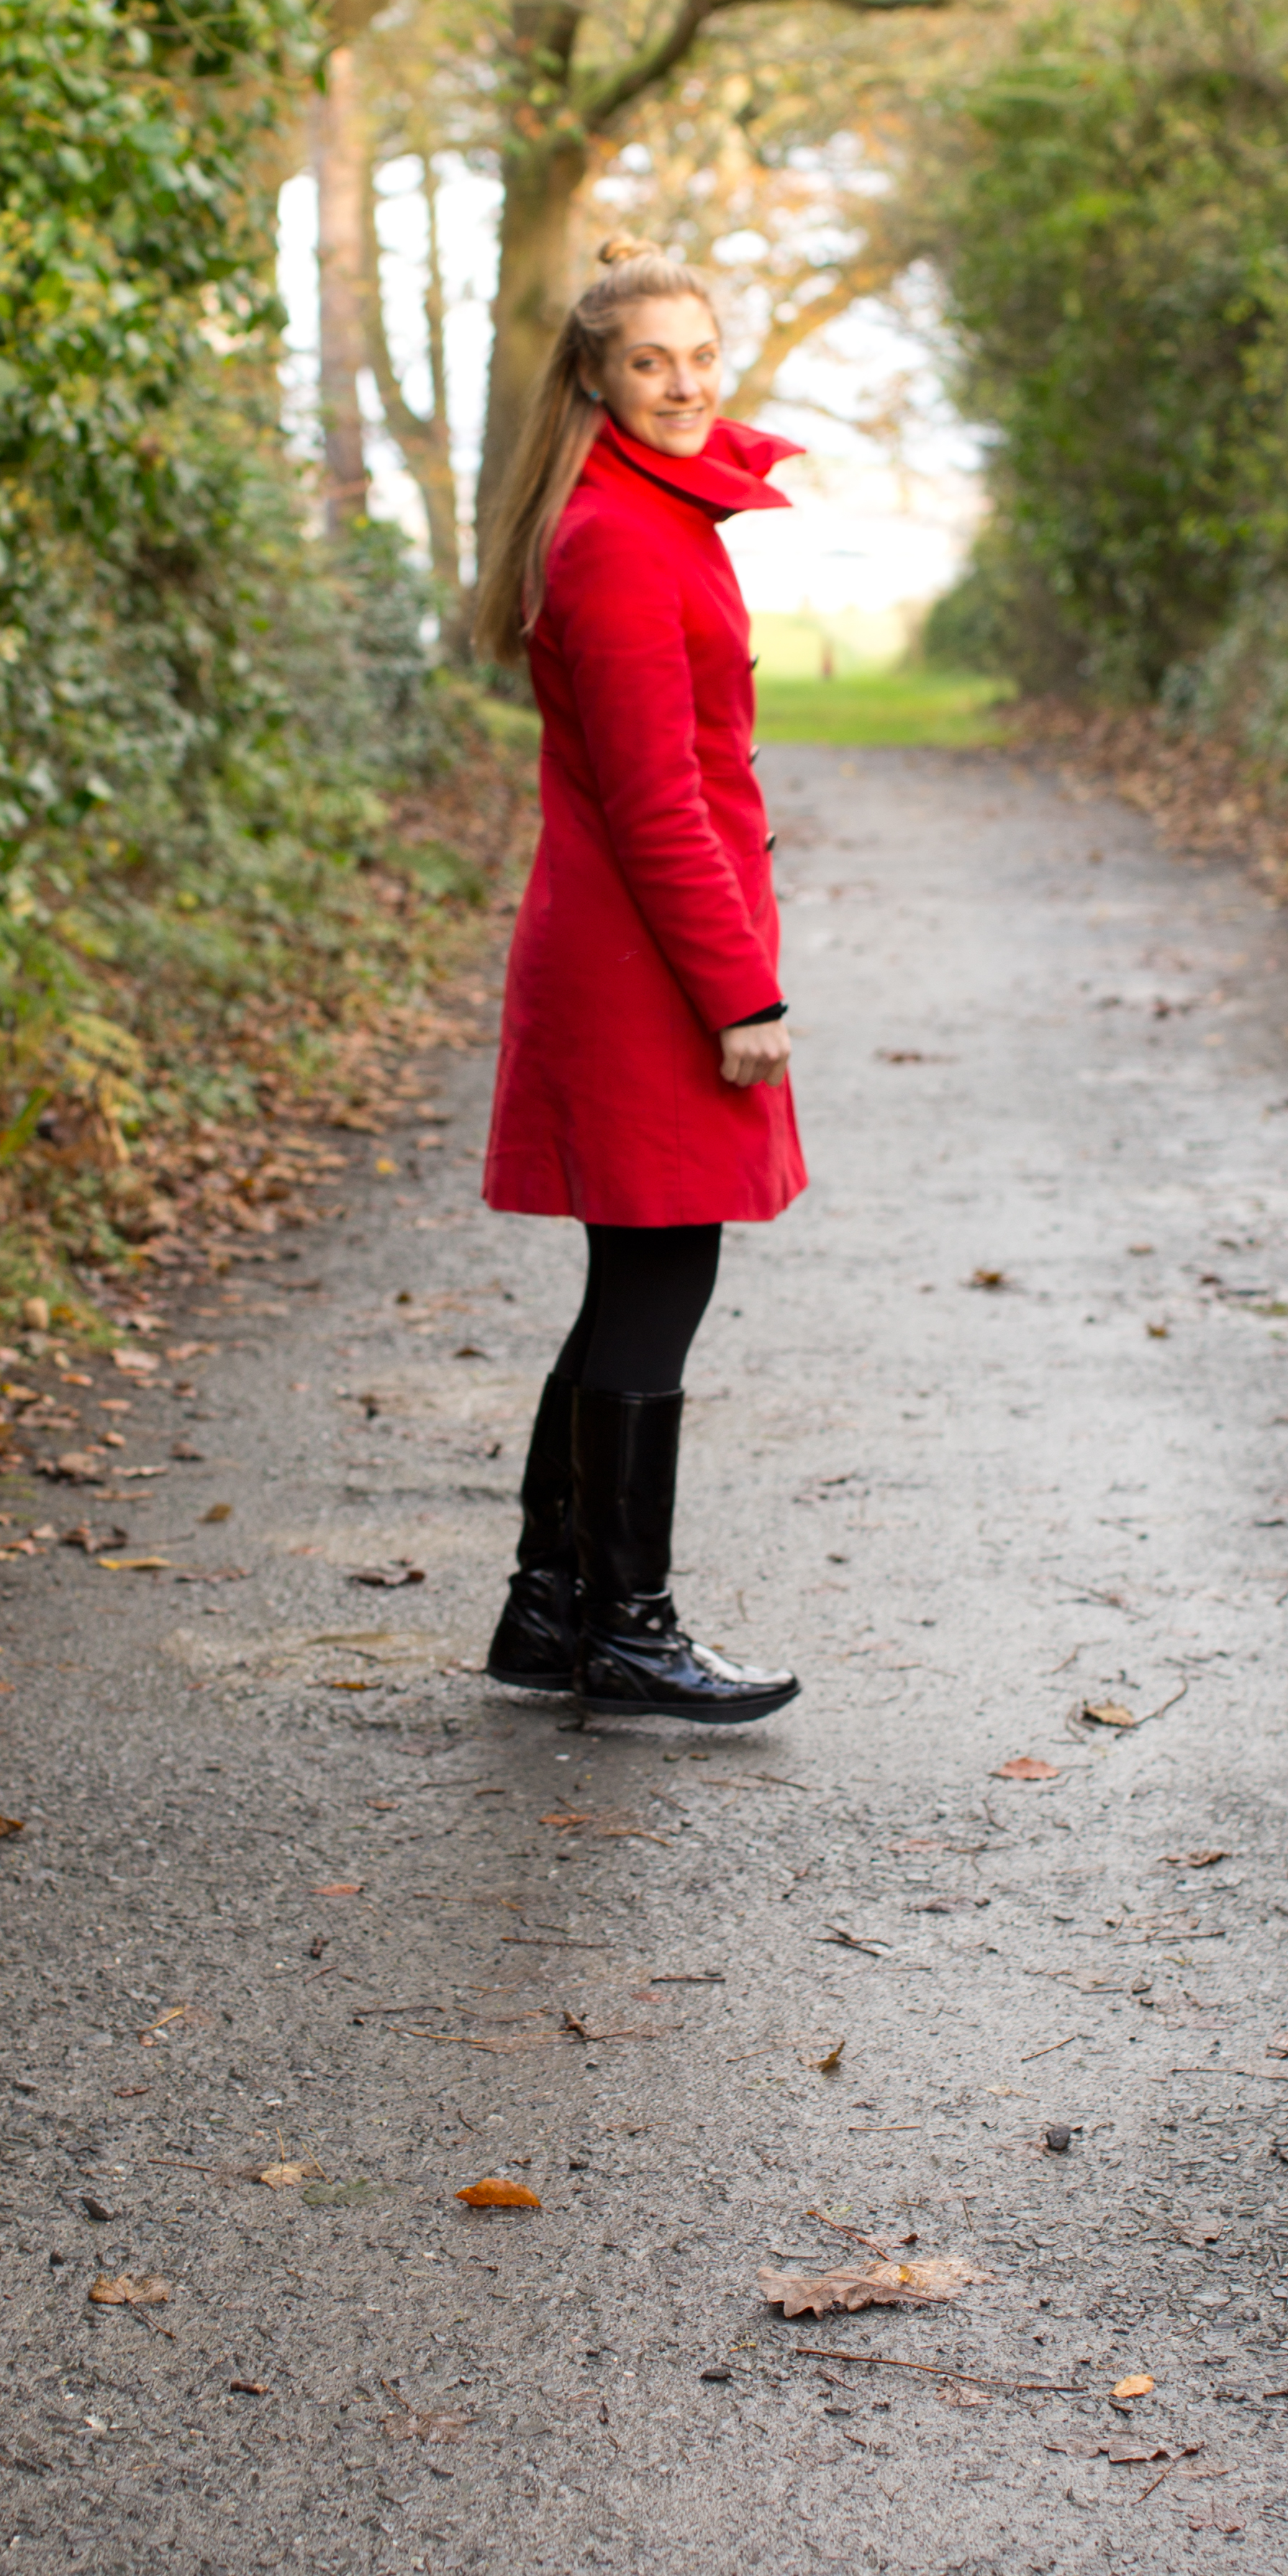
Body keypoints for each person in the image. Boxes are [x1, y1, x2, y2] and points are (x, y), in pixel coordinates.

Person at [471, 237, 803, 1724]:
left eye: (699, 357)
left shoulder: (658, 511)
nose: (682, 386)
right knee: (664, 1267)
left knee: (636, 1274)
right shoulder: (612, 538)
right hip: (643, 959)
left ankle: (554, 1613)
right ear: (595, 375)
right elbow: (654, 798)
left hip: (650, 939)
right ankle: (630, 1627)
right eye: (648, 361)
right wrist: (739, 992)